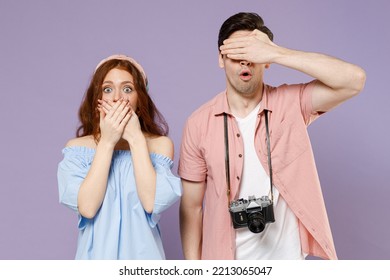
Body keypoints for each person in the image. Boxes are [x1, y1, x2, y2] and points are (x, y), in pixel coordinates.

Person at [178, 12, 366, 260]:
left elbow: (354, 80)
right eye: (237, 54)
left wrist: (277, 53)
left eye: (253, 53)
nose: (245, 62)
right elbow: (191, 209)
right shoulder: (198, 124)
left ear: (266, 61)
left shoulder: (291, 104)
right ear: (221, 59)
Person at [57, 54, 182, 259]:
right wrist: (107, 142)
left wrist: (135, 139)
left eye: (127, 89)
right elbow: (87, 208)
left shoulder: (159, 145)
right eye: (107, 89)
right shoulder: (77, 149)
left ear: (139, 100)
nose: (116, 97)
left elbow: (152, 202)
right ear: (96, 99)